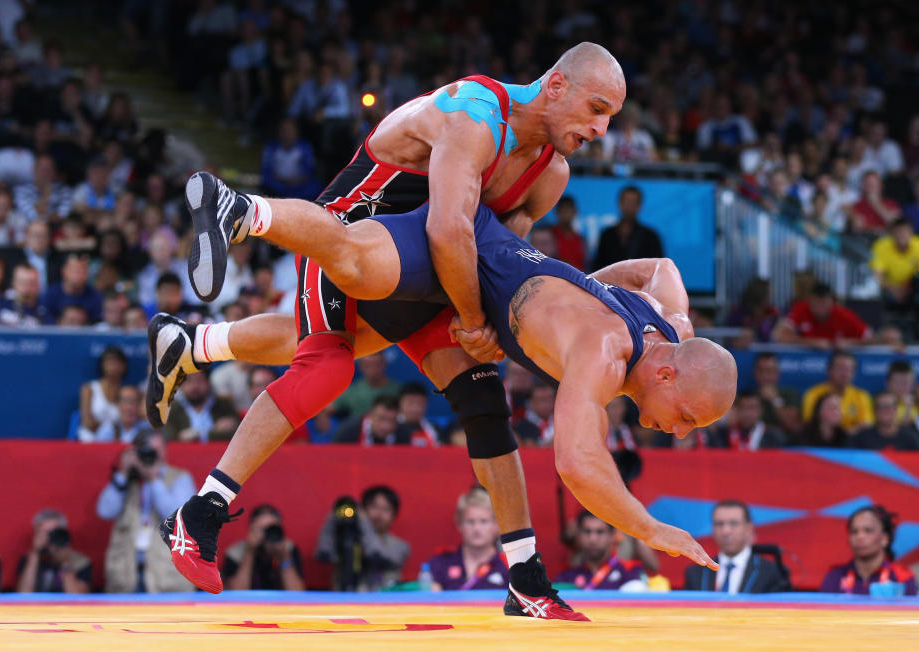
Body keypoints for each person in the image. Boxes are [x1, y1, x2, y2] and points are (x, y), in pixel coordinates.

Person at [152, 43, 721, 619]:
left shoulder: (550, 173)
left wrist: (572, 303)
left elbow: (505, 253)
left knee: (483, 405)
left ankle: (525, 576)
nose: (601, 129)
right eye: (596, 108)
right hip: (351, 225)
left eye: (611, 118)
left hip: (435, 268)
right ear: (555, 87)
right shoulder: (476, 112)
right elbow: (451, 230)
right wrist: (474, 321)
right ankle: (243, 216)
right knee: (326, 362)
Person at [96, 431, 196, 593]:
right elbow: (105, 511)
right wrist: (122, 474)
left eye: (156, 450)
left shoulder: (180, 478)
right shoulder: (128, 479)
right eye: (147, 451)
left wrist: (153, 480)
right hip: (126, 572)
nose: (152, 456)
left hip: (166, 575)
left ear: (165, 451)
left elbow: (179, 518)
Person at [314, 485, 410, 592]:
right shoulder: (346, 538)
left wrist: (363, 522)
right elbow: (324, 554)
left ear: (394, 515)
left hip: (384, 604)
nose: (379, 514)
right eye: (374, 507)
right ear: (364, 508)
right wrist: (332, 519)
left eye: (386, 509)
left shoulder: (400, 546)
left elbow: (375, 553)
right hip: (344, 602)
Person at [683, 500, 789, 594]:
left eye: (734, 523)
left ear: (749, 528)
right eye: (719, 524)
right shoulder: (696, 573)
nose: (726, 531)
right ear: (712, 529)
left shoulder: (769, 572)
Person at [820, 506, 916, 596]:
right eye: (854, 531)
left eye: (868, 531)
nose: (860, 537)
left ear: (885, 538)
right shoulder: (834, 577)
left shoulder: (902, 578)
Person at [427, 487, 509, 591]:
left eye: (484, 521)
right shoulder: (440, 563)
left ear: (497, 525)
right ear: (459, 524)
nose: (476, 528)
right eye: (470, 521)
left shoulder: (509, 567)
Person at [555, 511, 647, 590]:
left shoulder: (631, 571)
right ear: (579, 535)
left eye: (600, 532)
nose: (592, 539)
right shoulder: (565, 577)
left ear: (612, 535)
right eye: (587, 531)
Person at [222, 504, 304, 591]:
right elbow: (236, 593)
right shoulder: (235, 552)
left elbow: (297, 592)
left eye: (272, 529)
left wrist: (284, 556)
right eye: (262, 529)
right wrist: (250, 551)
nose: (268, 534)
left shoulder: (288, 549)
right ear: (251, 530)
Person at [772, 282, 871, 348]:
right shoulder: (800, 309)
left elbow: (869, 338)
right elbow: (779, 336)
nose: (820, 309)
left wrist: (849, 343)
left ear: (832, 302)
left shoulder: (843, 315)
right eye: (816, 304)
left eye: (824, 303)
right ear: (809, 301)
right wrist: (811, 343)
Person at [15, 509, 91, 593]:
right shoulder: (29, 559)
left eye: (54, 532)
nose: (49, 538)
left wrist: (65, 561)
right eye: (44, 533)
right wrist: (35, 553)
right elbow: (23, 594)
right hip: (36, 605)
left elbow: (77, 598)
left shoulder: (80, 561)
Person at [592, 185, 663, 270]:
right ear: (619, 203)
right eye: (627, 202)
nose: (629, 206)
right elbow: (598, 266)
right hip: (609, 282)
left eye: (633, 202)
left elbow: (657, 269)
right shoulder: (607, 235)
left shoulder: (650, 236)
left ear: (639, 206)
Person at [801, 350, 873, 433]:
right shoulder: (813, 394)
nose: (845, 373)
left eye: (849, 369)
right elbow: (809, 423)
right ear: (829, 370)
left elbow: (866, 425)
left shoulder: (861, 395)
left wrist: (842, 435)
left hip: (851, 442)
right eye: (840, 368)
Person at [165, 369, 239, 443]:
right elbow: (168, 437)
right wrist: (181, 437)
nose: (194, 386)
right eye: (189, 381)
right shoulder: (172, 409)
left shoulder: (224, 405)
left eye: (199, 380)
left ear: (208, 382)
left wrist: (201, 436)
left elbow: (238, 434)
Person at [77, 346, 127, 443]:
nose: (113, 365)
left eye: (117, 362)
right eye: (109, 361)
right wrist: (109, 427)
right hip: (91, 440)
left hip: (118, 441)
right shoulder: (89, 389)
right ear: (102, 364)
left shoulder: (127, 392)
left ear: (124, 366)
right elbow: (88, 423)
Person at [331, 352, 400, 419]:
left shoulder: (397, 390)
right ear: (361, 366)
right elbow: (328, 407)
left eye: (377, 365)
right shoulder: (353, 391)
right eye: (368, 365)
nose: (373, 369)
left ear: (385, 364)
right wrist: (323, 415)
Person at [709, 391, 787, 449]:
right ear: (736, 410)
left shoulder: (772, 435)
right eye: (743, 408)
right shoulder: (723, 433)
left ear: (760, 410)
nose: (747, 413)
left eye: (752, 408)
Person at [847, 392, 919, 451]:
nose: (885, 411)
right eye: (880, 407)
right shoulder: (861, 438)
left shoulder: (911, 438)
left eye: (888, 406)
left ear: (895, 410)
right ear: (874, 411)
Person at [751, 352, 801, 437]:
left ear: (778, 373)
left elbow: (791, 424)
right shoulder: (748, 396)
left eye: (770, 371)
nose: (766, 375)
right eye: (762, 371)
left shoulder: (790, 394)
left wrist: (775, 400)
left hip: (783, 444)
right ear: (755, 373)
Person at [550, 195, 585, 270]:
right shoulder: (549, 235)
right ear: (556, 212)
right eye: (562, 210)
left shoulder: (581, 239)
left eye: (568, 209)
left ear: (575, 212)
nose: (565, 213)